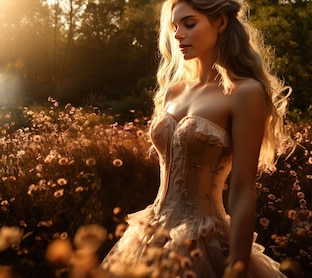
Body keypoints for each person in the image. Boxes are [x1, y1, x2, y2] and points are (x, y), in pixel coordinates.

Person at [100, 0, 291, 277]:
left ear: (221, 23)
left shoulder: (245, 92)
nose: (178, 34)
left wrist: (235, 267)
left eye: (189, 24)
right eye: (175, 26)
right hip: (148, 236)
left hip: (204, 242)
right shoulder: (174, 92)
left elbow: (242, 191)